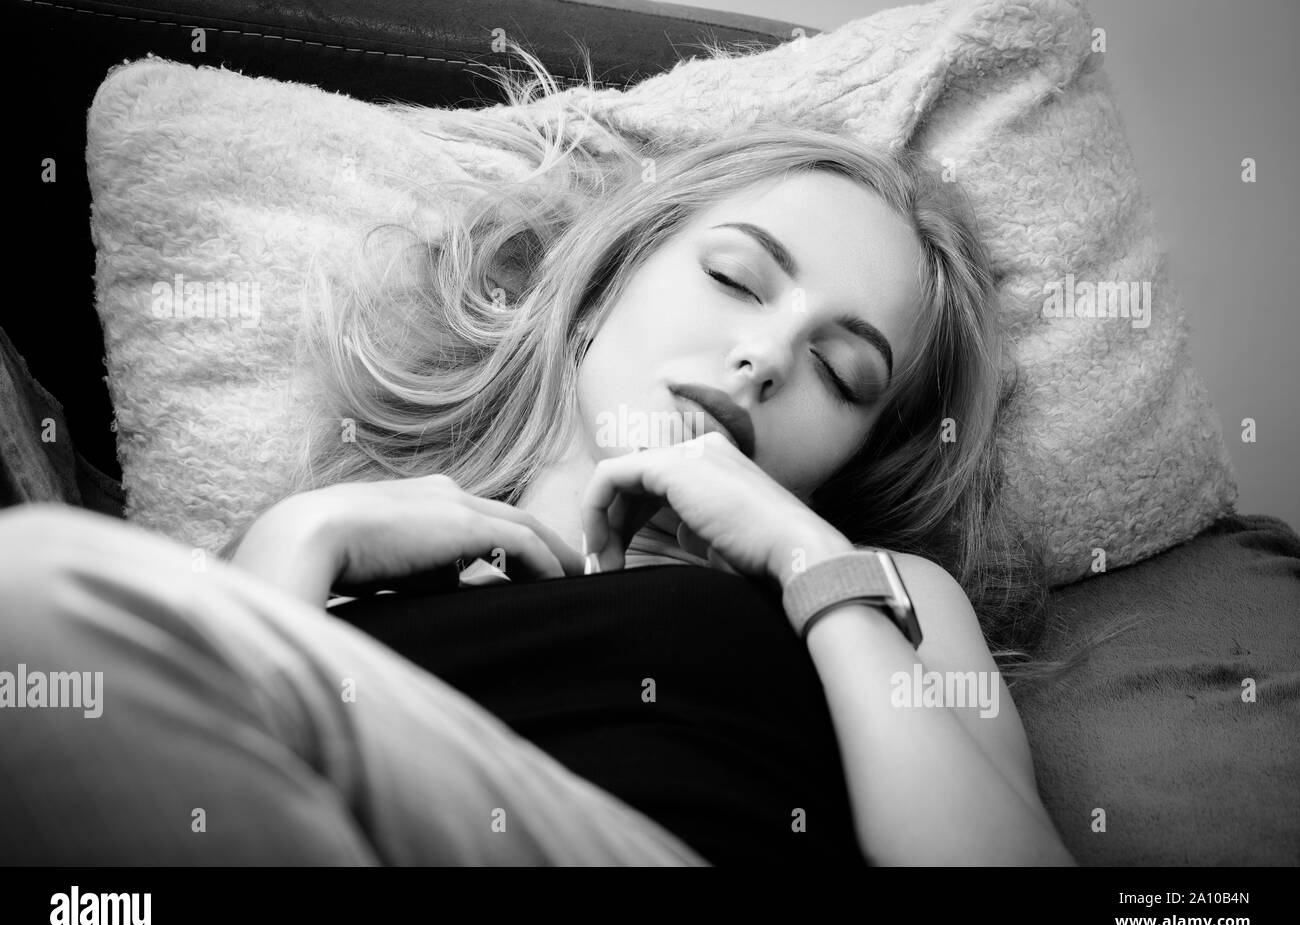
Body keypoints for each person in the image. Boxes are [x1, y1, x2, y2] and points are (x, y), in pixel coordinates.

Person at [0, 44, 1089, 866]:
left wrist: (810, 564)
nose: (762, 357)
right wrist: (303, 534)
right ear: (594, 297)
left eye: (844, 373)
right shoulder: (339, 552)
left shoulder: (881, 595)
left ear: (847, 456)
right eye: (734, 280)